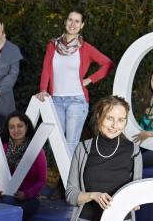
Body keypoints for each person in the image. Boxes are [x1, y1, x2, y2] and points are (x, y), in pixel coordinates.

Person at [37, 9, 114, 155]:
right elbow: (46, 69)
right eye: (70, 20)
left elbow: (108, 64)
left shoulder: (85, 48)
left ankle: (70, 178)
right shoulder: (52, 45)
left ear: (82, 25)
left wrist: (89, 80)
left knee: (70, 145)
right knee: (56, 144)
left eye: (77, 21)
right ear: (65, 22)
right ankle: (68, 176)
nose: (73, 24)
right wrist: (43, 89)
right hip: (56, 100)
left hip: (77, 101)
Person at [0, 112, 47, 221]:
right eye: (12, 127)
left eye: (19, 126)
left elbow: (41, 180)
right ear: (8, 130)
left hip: (29, 199)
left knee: (16, 209)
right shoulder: (2, 149)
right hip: (6, 197)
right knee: (9, 203)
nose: (16, 130)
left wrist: (26, 194)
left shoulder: (37, 151)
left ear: (27, 127)